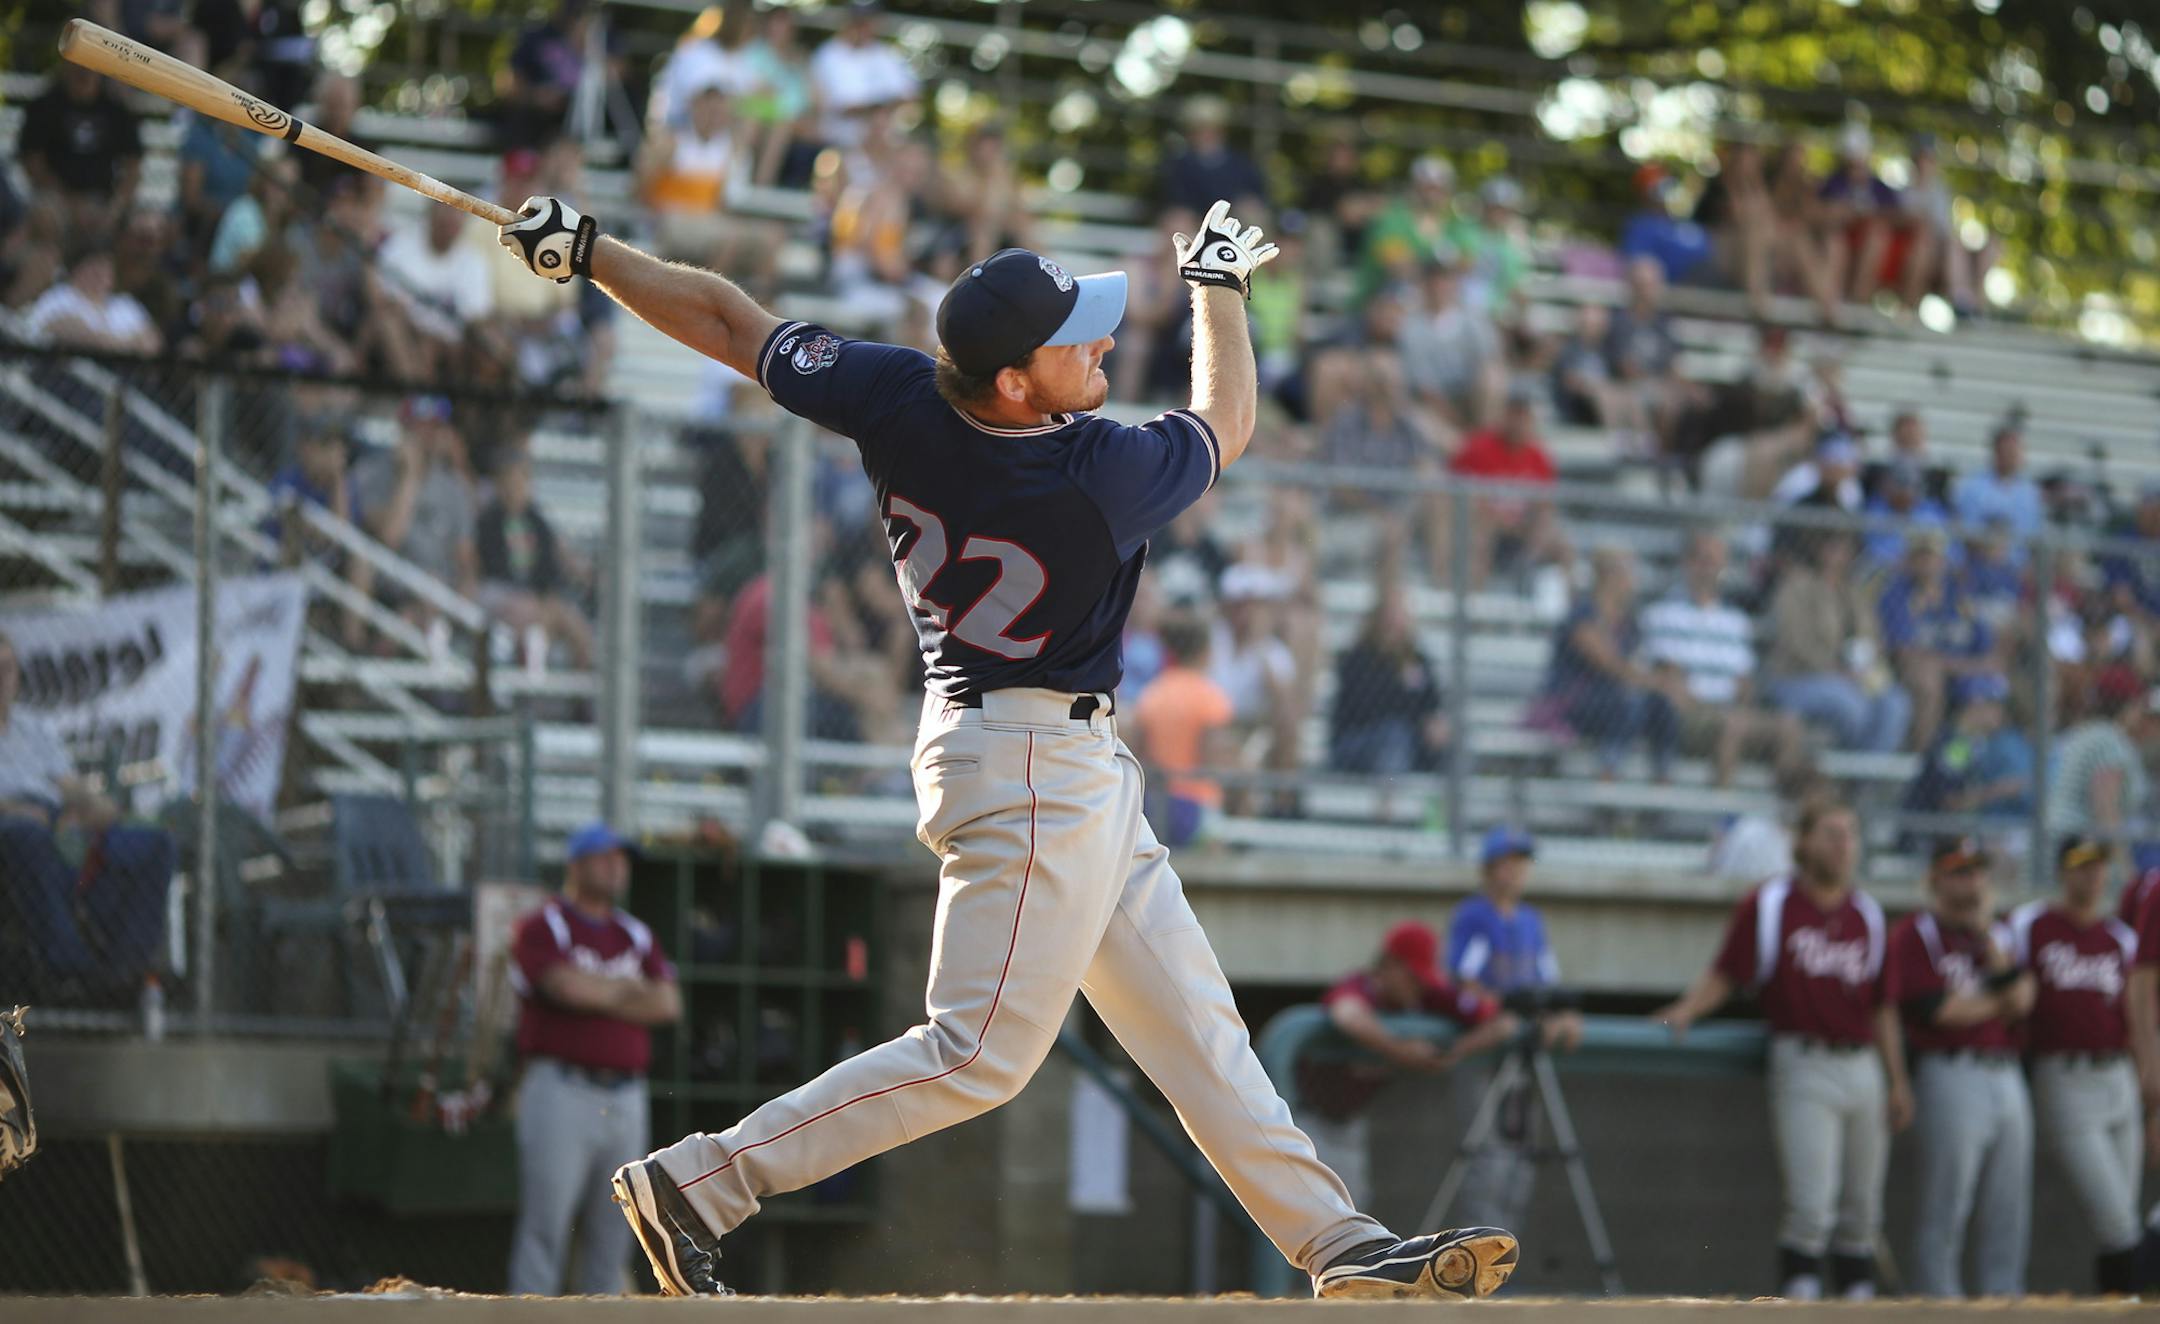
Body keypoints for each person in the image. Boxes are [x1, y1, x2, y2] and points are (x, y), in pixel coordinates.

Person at [495, 190, 1521, 1296]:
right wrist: (1220, 292)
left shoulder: (901, 394)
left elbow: (727, 320)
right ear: (1016, 383)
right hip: (1034, 763)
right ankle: (702, 1181)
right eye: (1076, 335)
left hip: (1028, 747)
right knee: (976, 1053)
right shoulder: (1088, 475)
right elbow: (1227, 420)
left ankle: (1339, 1245)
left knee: (1195, 1025)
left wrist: (593, 255)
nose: (1103, 337)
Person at [1654, 796, 1904, 1300]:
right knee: (1811, 1208)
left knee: (1863, 1214)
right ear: (1803, 841)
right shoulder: (1771, 903)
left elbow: (1883, 1006)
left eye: (1850, 833)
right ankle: (1797, 1306)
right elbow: (1729, 972)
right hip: (1804, 1059)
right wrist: (1686, 1009)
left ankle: (1859, 1309)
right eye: (1831, 832)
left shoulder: (1868, 913)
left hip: (1862, 1067)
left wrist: (1898, 1080)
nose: (1843, 844)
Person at [505, 823, 681, 1296]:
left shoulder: (635, 933)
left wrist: (598, 991)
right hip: (561, 1088)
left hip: (625, 1096)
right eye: (604, 857)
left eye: (620, 859)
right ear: (576, 865)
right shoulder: (545, 924)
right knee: (546, 1227)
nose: (615, 867)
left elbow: (667, 1004)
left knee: (619, 1231)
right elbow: (563, 987)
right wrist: (628, 993)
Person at [1884, 837, 2033, 1298]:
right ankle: (1937, 1305)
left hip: (2006, 1075)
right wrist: (1997, 1003)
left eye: (1976, 871)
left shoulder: (2000, 932)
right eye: (1959, 872)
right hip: (1950, 1072)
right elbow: (1938, 1011)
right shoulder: (1917, 932)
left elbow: (2024, 1000)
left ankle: (2003, 1303)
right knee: (1946, 1207)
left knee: (2009, 1208)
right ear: (1936, 879)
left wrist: (1986, 933)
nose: (1971, 882)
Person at [1292, 921, 1517, 1208]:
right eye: (1413, 976)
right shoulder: (1360, 986)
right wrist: (1400, 1051)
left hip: (1349, 1125)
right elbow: (1347, 1015)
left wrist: (1456, 1052)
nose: (1420, 985)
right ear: (1390, 965)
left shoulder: (1425, 995)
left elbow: (1504, 1023)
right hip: (1302, 1118)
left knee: (1347, 1215)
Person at [0, 632, 174, 999]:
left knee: (155, 844)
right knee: (27, 835)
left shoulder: (34, 729)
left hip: (59, 823)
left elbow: (69, 785)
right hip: (13, 827)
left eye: (8, 669)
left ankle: (126, 971)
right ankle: (72, 973)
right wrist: (16, 811)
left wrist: (96, 808)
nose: (3, 679)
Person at [2007, 838, 2145, 1294]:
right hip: (2064, 1078)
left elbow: (2140, 1013)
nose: (2091, 875)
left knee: (2120, 1223)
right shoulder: (2031, 925)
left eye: (2098, 865)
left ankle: (2115, 1310)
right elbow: (1999, 971)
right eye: (2080, 865)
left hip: (2119, 1077)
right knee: (2119, 1222)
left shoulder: (2121, 938)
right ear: (2062, 871)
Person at [1445, 827, 1581, 1235]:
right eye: (1507, 863)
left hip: (1524, 1055)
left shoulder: (1530, 920)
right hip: (1488, 1050)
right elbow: (1462, 979)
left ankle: (1505, 1260)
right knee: (1485, 1162)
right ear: (1489, 869)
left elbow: (1548, 984)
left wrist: (1560, 1016)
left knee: (1520, 1167)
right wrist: (1500, 1010)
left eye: (1521, 863)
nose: (1515, 872)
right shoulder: (1474, 914)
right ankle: (1476, 1259)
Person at [1639, 530, 1809, 788]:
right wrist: (1720, 711)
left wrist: (1739, 705)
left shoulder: (1735, 621)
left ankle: (1783, 814)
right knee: (1733, 726)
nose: (1709, 568)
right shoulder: (1664, 614)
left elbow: (1744, 682)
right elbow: (1670, 679)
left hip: (1730, 713)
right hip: (1689, 718)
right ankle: (1722, 816)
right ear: (1687, 563)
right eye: (1703, 560)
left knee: (1790, 726)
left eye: (1716, 561)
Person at [1764, 533, 1912, 753]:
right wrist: (1836, 670)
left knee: (1896, 704)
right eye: (1831, 546)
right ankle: (1850, 773)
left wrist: (1867, 667)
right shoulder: (1796, 587)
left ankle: (1862, 777)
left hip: (1856, 676)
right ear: (1817, 549)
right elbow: (1795, 642)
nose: (1837, 553)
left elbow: (1873, 637)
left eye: (1844, 548)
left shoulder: (1855, 594)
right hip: (1800, 677)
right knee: (1851, 705)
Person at [1541, 548, 1671, 779]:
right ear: (1610, 575)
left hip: (1616, 701)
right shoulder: (1582, 613)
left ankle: (1663, 777)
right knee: (1627, 704)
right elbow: (1609, 663)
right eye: (1629, 572)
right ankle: (1607, 773)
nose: (1634, 580)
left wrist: (1662, 682)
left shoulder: (1630, 622)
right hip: (1576, 702)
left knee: (1661, 705)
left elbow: (1638, 665)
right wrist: (1655, 681)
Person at [478, 448, 595, 671]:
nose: (516, 488)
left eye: (522, 480)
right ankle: (529, 677)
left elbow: (549, 566)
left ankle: (579, 699)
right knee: (531, 617)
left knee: (574, 625)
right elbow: (490, 566)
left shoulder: (538, 521)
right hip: (503, 592)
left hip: (536, 597)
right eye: (510, 480)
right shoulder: (489, 520)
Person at [1445, 384, 1571, 591]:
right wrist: (1499, 522)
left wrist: (1532, 529)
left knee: (1562, 545)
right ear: (1505, 414)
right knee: (1481, 535)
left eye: (1524, 415)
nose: (1519, 421)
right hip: (1485, 527)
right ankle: (1474, 603)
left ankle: (1557, 604)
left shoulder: (1538, 456)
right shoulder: (1479, 447)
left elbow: (1545, 506)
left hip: (1521, 532)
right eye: (1515, 413)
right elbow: (1457, 493)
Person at [1128, 611, 1236, 848]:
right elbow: (1211, 759)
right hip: (1198, 805)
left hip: (1158, 807)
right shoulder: (1210, 696)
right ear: (1205, 650)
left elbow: (1138, 754)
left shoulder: (1152, 693)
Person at [1328, 582, 1448, 778]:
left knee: (1452, 740)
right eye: (1391, 613)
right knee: (1393, 735)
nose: (1396, 621)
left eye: (1401, 613)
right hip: (1355, 744)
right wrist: (1418, 719)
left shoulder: (1418, 659)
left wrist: (1435, 724)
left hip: (1409, 741)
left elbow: (1431, 704)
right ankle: (1389, 804)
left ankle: (1447, 801)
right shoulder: (1358, 658)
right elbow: (1369, 708)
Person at [17, 62, 141, 235]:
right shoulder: (45, 106)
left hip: (104, 199)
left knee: (142, 226)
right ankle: (51, 261)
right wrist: (69, 201)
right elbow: (32, 161)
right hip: (56, 197)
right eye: (79, 64)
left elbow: (133, 165)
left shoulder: (116, 109)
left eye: (90, 64)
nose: (85, 71)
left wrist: (115, 207)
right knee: (44, 215)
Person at [2046, 684, 2159, 843]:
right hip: (2074, 846)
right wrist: (2122, 863)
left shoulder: (2088, 731)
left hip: (2058, 839)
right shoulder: (2109, 740)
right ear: (2129, 707)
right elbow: (2105, 811)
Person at [806, 1, 919, 157]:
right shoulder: (827, 56)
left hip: (887, 141)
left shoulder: (887, 55)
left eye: (869, 20)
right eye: (859, 20)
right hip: (841, 141)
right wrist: (880, 107)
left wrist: (876, 109)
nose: (865, 26)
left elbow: (909, 97)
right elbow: (839, 108)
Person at [1158, 95, 1269, 218]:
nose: (1206, 135)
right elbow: (1175, 201)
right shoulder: (1179, 165)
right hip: (1194, 220)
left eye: (1211, 128)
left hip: (1233, 221)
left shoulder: (1241, 163)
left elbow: (1255, 196)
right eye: (1199, 129)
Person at [1951, 427, 2045, 558]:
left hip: (2019, 569)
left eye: (2015, 452)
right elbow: (1967, 532)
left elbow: (2034, 537)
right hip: (1980, 564)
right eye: (2006, 451)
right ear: (1996, 453)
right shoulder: (1973, 488)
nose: (2011, 456)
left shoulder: (2030, 493)